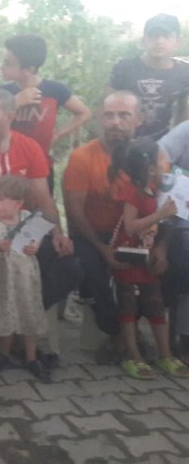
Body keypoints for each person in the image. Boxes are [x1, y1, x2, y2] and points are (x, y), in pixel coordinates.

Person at [0, 89, 80, 383]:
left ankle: (20, 326)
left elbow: (43, 198)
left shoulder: (29, 147)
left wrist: (57, 233)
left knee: (70, 267)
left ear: (9, 116)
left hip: (21, 227)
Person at [62, 91, 159, 354]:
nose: (115, 122)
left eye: (124, 115)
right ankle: (117, 333)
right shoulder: (83, 157)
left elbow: (164, 205)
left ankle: (151, 330)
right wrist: (103, 249)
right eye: (109, 115)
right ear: (99, 119)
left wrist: (160, 247)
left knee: (165, 264)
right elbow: (74, 211)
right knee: (88, 269)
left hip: (137, 233)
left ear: (139, 119)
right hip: (93, 233)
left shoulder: (150, 156)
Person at [107, 138, 188, 379]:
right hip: (128, 258)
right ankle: (133, 356)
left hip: (147, 258)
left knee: (156, 305)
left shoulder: (153, 188)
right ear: (150, 166)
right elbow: (130, 226)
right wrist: (161, 214)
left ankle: (165, 354)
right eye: (162, 158)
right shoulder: (132, 191)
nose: (166, 162)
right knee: (128, 307)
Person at [0, 175, 52, 381]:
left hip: (26, 277)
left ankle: (31, 356)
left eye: (0, 200)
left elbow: (37, 239)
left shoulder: (28, 218)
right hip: (2, 276)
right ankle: (4, 353)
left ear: (18, 203)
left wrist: (35, 246)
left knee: (29, 310)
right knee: (4, 311)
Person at [0, 34, 91, 182]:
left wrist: (59, 133)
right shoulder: (3, 92)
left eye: (8, 63)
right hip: (8, 167)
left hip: (41, 166)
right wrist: (14, 102)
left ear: (29, 69)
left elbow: (84, 113)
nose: (1, 67)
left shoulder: (54, 90)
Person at [109, 14, 189, 139]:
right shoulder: (125, 67)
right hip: (124, 140)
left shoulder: (184, 72)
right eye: (153, 36)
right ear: (143, 41)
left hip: (162, 142)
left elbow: (183, 113)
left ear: (178, 42)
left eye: (166, 36)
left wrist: (178, 142)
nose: (159, 41)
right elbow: (106, 107)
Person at [158, 120, 189, 358]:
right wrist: (173, 186)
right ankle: (183, 333)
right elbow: (160, 155)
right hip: (181, 217)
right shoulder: (186, 131)